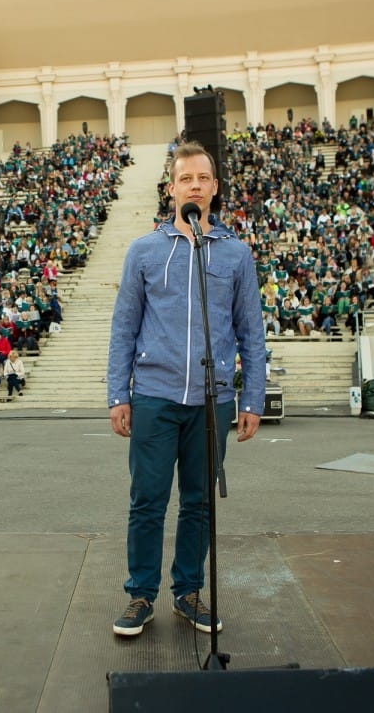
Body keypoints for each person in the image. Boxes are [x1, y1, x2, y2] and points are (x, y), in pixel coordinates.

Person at [107, 142, 267, 638]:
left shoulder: (237, 255)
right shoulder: (144, 251)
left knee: (199, 502)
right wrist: (119, 394)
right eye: (186, 178)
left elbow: (251, 332)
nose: (195, 185)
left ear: (215, 187)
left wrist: (252, 399)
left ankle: (189, 592)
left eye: (203, 177)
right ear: (171, 188)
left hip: (213, 400)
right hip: (154, 396)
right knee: (147, 500)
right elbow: (124, 326)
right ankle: (140, 595)